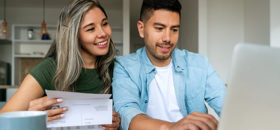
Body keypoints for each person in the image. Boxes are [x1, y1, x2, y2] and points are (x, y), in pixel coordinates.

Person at [0, 0, 120, 129]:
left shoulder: (118, 69)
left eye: (105, 23)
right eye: (91, 29)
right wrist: (29, 116)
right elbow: (3, 121)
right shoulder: (49, 69)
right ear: (73, 36)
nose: (103, 33)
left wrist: (118, 124)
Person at [112, 0, 226, 130]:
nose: (168, 38)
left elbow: (228, 107)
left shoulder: (199, 64)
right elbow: (127, 114)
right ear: (141, 28)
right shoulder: (124, 66)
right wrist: (172, 127)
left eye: (174, 29)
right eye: (159, 28)